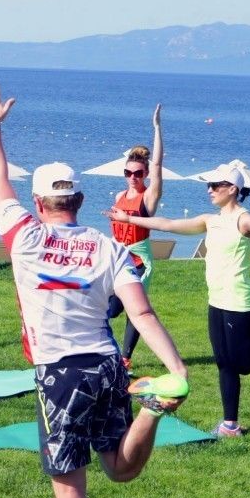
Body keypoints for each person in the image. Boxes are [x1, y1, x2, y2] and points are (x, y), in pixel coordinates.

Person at [0, 77, 191, 498]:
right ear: (79, 199)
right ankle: (152, 411)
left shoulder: (23, 235)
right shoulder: (105, 245)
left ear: (38, 201)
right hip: (106, 365)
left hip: (61, 374)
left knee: (69, 485)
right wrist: (176, 367)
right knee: (118, 467)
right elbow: (139, 310)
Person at [109, 165, 250, 438]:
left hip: (238, 299)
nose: (210, 190)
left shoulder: (244, 220)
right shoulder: (210, 220)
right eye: (208, 185)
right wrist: (129, 219)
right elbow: (168, 224)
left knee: (244, 364)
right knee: (224, 364)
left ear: (233, 189)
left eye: (216, 185)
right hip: (216, 299)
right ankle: (229, 424)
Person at [108, 106, 165, 366]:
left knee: (134, 307)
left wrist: (156, 128)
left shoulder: (148, 197)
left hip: (139, 261)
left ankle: (125, 358)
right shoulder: (119, 197)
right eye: (128, 173)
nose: (133, 177)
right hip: (119, 256)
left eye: (138, 173)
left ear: (145, 175)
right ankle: (108, 351)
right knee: (109, 307)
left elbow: (158, 164)